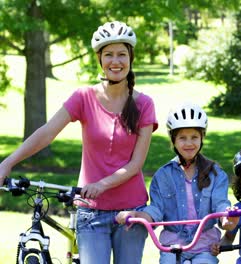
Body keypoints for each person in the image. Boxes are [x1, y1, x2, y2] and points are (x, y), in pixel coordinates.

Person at [0, 21, 158, 263]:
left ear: (131, 57)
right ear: (99, 59)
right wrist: (8, 162)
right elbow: (47, 132)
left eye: (121, 54)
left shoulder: (144, 104)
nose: (115, 61)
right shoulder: (83, 98)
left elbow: (136, 163)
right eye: (108, 55)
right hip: (90, 210)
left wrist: (102, 184)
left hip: (130, 212)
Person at [116, 102, 238, 264]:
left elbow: (220, 204)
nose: (189, 143)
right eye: (182, 138)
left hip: (204, 246)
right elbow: (156, 209)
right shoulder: (163, 175)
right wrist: (137, 215)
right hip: (172, 245)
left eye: (194, 137)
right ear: (173, 140)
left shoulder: (215, 173)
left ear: (202, 138)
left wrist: (227, 219)